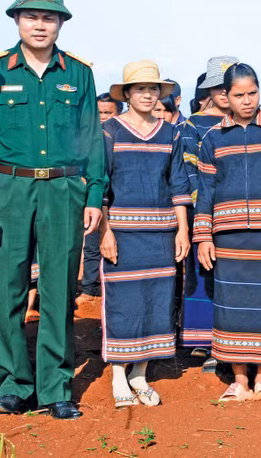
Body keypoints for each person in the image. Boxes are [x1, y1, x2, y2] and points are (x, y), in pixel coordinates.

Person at [0, 0, 105, 420]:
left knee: (59, 288)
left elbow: (92, 138)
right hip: (9, 189)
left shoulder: (78, 73)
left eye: (50, 17)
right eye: (31, 16)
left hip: (63, 189)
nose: (40, 25)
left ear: (61, 23)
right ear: (16, 20)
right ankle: (12, 385)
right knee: (8, 286)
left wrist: (94, 194)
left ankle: (55, 387)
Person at [194, 64, 261, 402]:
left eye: (252, 93)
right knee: (231, 304)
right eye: (239, 95)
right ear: (225, 96)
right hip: (227, 236)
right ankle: (238, 381)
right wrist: (203, 236)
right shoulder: (213, 138)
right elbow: (205, 190)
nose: (247, 101)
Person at [99, 60, 191, 408]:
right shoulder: (110, 130)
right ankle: (118, 374)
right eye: (141, 89)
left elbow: (178, 183)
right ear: (126, 94)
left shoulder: (170, 132)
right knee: (123, 301)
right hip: (122, 233)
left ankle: (140, 373)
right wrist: (105, 232)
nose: (148, 95)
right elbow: (101, 185)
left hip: (161, 233)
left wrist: (183, 230)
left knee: (157, 299)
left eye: (154, 89)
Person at [178, 56, 237, 366]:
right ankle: (204, 341)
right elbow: (190, 173)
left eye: (230, 86)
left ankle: (232, 341)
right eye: (218, 87)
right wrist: (205, 213)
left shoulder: (253, 121)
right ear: (209, 91)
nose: (225, 93)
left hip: (240, 215)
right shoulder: (193, 125)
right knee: (203, 274)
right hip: (204, 211)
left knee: (234, 276)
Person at [77, 92, 124, 304]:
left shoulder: (122, 134)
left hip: (120, 199)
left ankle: (112, 286)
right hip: (95, 197)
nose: (103, 117)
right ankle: (89, 287)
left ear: (119, 113)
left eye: (108, 112)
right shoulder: (87, 137)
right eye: (99, 113)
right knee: (92, 241)